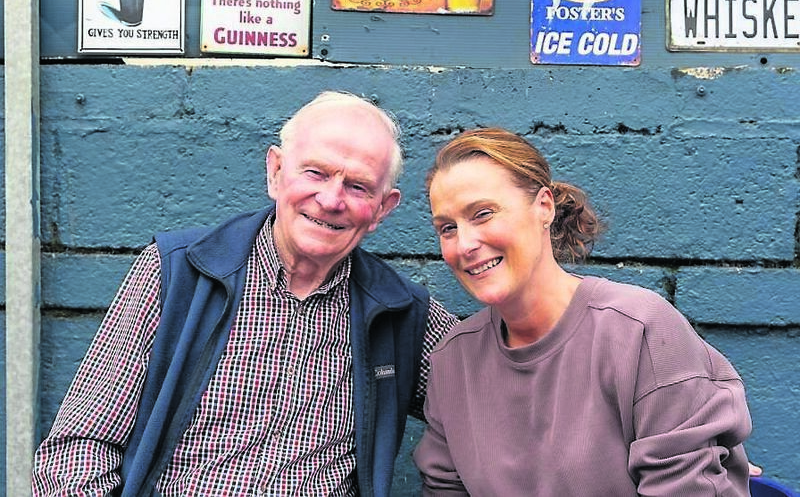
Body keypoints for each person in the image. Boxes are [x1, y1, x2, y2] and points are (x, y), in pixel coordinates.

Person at [32, 91, 459, 497]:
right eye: (316, 172)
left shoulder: (402, 311)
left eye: (358, 187)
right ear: (275, 172)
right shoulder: (177, 272)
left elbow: (499, 400)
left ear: (383, 209)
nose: (330, 199)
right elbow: (77, 450)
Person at [413, 127, 753, 496]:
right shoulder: (453, 361)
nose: (464, 244)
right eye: (447, 228)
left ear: (543, 207)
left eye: (482, 214)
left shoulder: (640, 331)